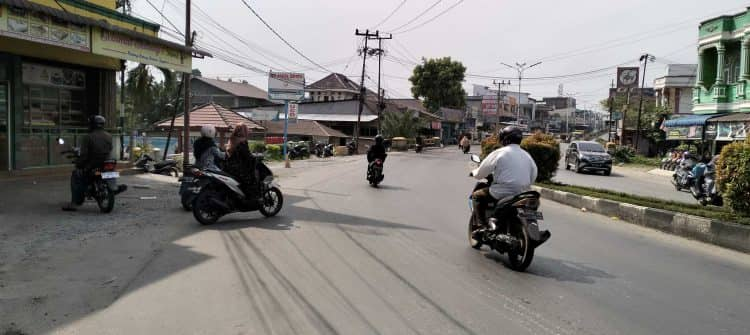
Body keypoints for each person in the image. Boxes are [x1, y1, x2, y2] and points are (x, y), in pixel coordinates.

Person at [470, 126, 538, 227]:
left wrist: (474, 172)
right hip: (523, 193)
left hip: (502, 191)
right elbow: (533, 175)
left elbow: (481, 172)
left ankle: (480, 226)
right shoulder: (527, 155)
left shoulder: (500, 152)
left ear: (505, 139)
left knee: (477, 196)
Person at [63, 115, 113, 211]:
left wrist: (79, 163)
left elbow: (84, 155)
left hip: (92, 164)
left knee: (76, 175)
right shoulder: (109, 136)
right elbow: (110, 149)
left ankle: (75, 202)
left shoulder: (88, 137)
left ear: (92, 125)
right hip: (107, 162)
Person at [224, 124, 258, 196]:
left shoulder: (232, 139)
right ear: (244, 131)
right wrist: (254, 158)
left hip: (229, 167)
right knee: (252, 179)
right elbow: (247, 155)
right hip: (239, 169)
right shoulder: (242, 141)